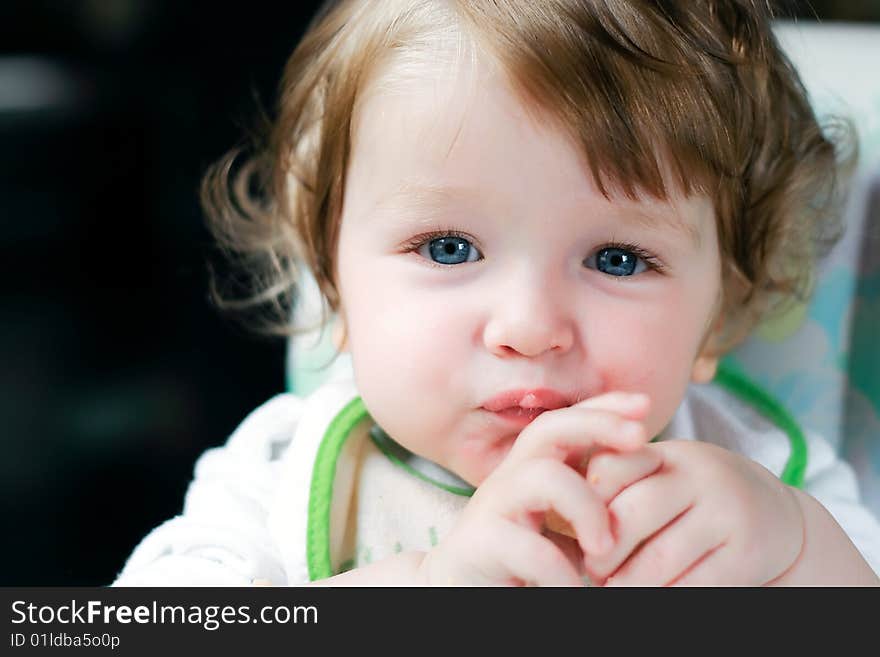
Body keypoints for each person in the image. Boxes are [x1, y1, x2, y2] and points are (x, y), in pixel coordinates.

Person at [113, 0, 880, 586]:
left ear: (722, 310)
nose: (530, 326)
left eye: (617, 258)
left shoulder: (761, 479)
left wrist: (803, 550)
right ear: (332, 284)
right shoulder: (288, 472)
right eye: (449, 248)